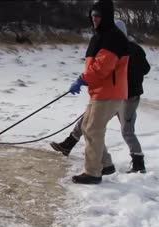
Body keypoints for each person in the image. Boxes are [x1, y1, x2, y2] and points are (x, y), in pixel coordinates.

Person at [50, 19, 150, 176]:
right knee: (89, 122)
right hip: (113, 94)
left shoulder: (129, 49)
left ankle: (138, 163)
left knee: (125, 131)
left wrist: (124, 77)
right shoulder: (119, 48)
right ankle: (70, 144)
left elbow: (144, 69)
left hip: (128, 97)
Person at [58, 0, 129, 184]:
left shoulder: (113, 37)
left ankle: (93, 173)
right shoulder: (101, 35)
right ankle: (105, 164)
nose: (95, 19)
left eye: (98, 16)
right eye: (92, 16)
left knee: (93, 130)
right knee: (87, 127)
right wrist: (86, 81)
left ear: (106, 17)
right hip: (100, 91)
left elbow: (101, 68)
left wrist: (82, 79)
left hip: (109, 93)